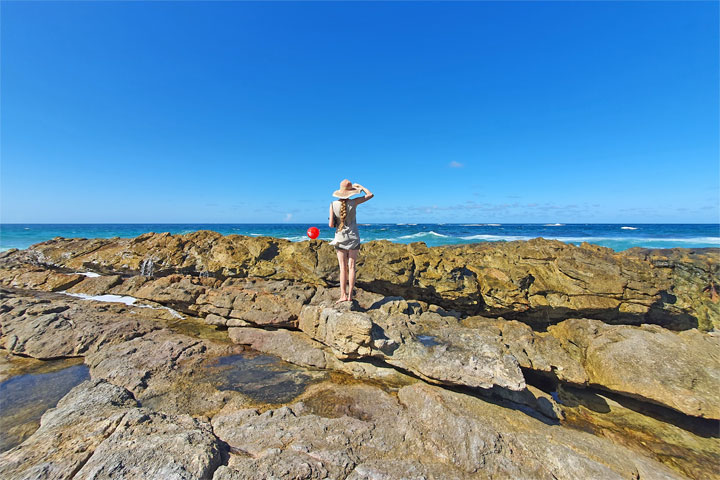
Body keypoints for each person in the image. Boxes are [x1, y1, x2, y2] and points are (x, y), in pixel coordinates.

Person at [328, 179, 374, 303]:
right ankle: (350, 296)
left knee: (343, 268)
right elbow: (370, 195)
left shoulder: (333, 204)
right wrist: (361, 187)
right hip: (353, 236)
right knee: (352, 267)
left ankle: (343, 295)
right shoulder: (354, 202)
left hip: (340, 238)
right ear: (350, 192)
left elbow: (331, 225)